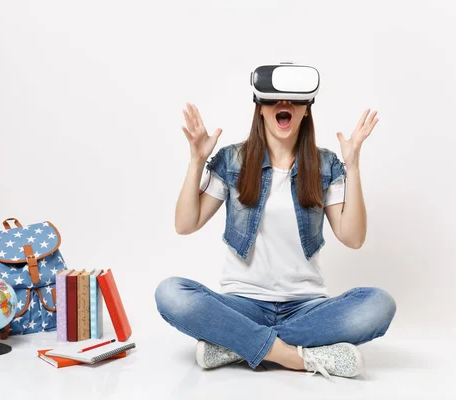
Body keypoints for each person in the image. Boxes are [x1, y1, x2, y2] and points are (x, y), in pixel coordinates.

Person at [155, 91, 396, 379]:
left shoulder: (325, 165)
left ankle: (236, 345)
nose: (284, 106)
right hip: (243, 304)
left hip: (305, 308)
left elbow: (353, 238)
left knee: (379, 304)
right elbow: (185, 224)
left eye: (295, 100)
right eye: (273, 100)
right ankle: (296, 357)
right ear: (260, 109)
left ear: (306, 110)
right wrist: (197, 160)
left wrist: (353, 164)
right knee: (171, 293)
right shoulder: (233, 159)